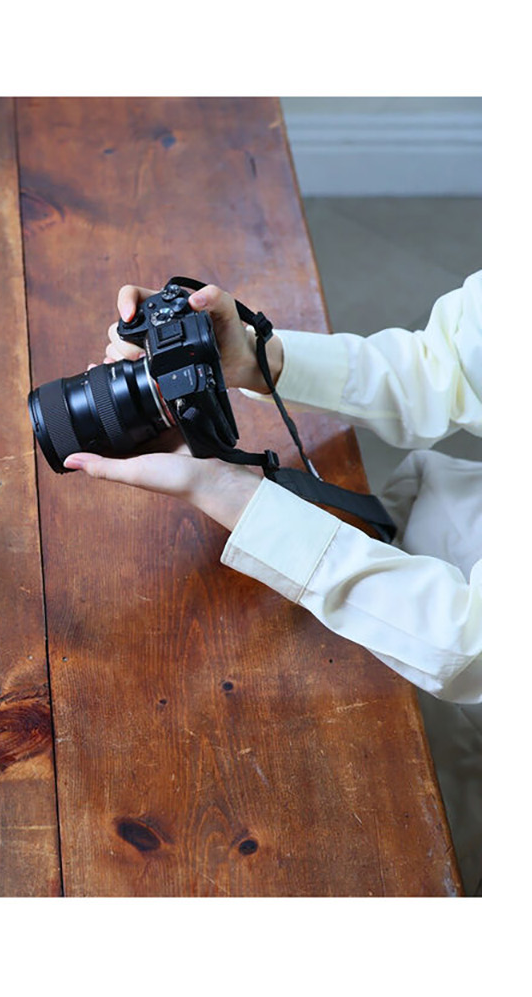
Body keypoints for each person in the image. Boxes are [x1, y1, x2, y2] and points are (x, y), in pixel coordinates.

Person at [64, 272, 481, 892]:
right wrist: (261, 359)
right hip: (418, 540)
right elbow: (448, 366)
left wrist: (232, 496)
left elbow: (473, 646)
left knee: (433, 838)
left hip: (462, 685)